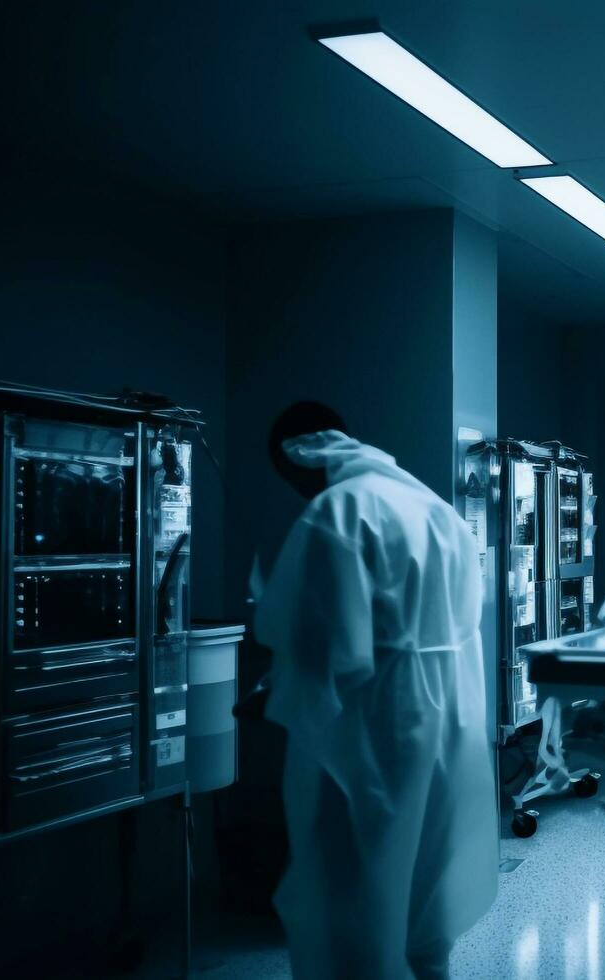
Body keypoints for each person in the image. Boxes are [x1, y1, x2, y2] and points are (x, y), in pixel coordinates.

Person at [255, 401, 495, 979]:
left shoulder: (337, 512)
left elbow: (331, 651)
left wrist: (276, 688)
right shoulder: (435, 508)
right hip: (453, 715)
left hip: (375, 723)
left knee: (356, 890)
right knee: (427, 881)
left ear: (296, 457)